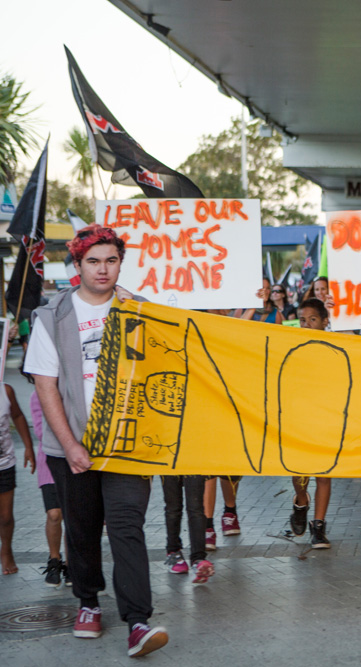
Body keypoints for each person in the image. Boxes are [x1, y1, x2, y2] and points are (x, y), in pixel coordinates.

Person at [25, 225, 169, 656]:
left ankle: (138, 621)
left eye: (111, 260)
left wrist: (140, 316)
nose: (103, 269)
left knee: (127, 528)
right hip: (71, 447)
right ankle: (88, 602)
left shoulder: (139, 310)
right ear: (77, 266)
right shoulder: (53, 316)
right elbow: (46, 386)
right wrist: (70, 445)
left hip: (127, 446)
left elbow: (166, 367)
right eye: (93, 261)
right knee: (83, 529)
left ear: (120, 264)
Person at [288, 298, 333, 548]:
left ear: (325, 322)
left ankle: (318, 527)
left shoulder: (335, 345)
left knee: (325, 475)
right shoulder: (292, 346)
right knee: (300, 474)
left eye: (312, 320)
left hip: (326, 418)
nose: (306, 325)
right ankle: (301, 502)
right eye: (302, 320)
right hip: (299, 420)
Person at [29, 384, 70, 587]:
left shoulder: (72, 389)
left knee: (72, 515)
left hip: (75, 461)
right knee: (54, 514)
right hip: (50, 461)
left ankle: (72, 564)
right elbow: (40, 429)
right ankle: (54, 560)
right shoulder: (38, 394)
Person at [0, 382, 35, 575]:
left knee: (5, 517)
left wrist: (29, 447)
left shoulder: (5, 391)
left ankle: (6, 549)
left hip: (4, 464)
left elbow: (18, 415)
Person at [161, 474, 214, 584]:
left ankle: (198, 558)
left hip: (192, 461)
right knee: (174, 508)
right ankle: (173, 551)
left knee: (195, 508)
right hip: (169, 462)